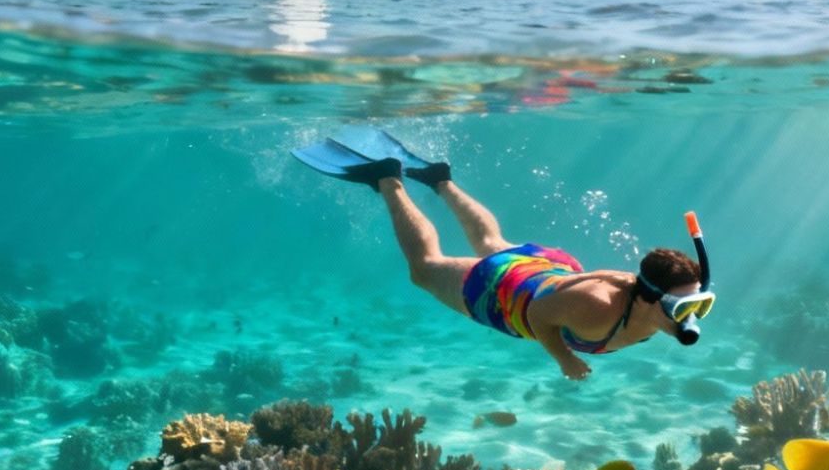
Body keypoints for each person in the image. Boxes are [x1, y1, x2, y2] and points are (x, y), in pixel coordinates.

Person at [293, 130, 714, 381]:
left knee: (494, 242)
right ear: (647, 297)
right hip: (512, 293)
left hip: (550, 269)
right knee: (424, 270)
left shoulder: (646, 303)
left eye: (699, 304)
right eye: (684, 306)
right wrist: (564, 358)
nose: (691, 316)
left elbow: (613, 276)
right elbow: (538, 318)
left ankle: (441, 181)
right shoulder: (597, 311)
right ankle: (387, 178)